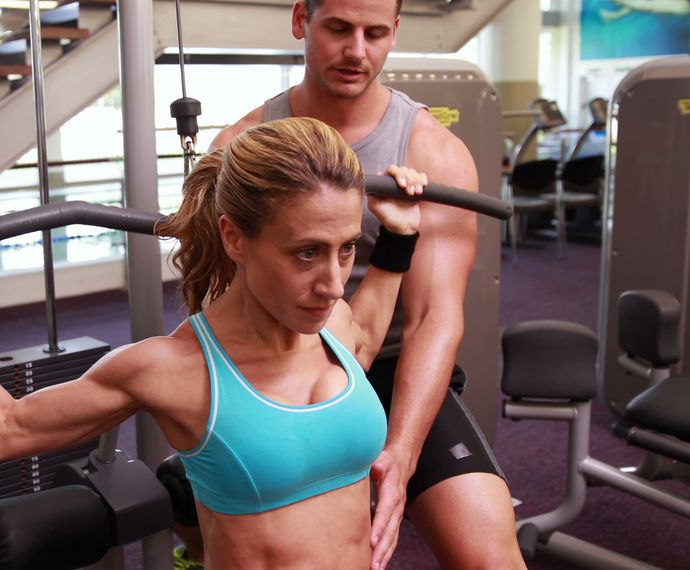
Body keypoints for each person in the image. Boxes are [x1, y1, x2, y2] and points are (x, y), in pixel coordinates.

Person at [0, 117, 426, 569]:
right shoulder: (174, 370)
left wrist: (398, 240)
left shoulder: (334, 324)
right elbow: (0, 431)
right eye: (306, 253)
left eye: (347, 249)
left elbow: (365, 340)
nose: (333, 284)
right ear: (234, 237)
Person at [207, 1, 526, 569]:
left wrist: (400, 454)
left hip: (392, 372)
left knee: (490, 558)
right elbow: (219, 301)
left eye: (375, 33)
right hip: (281, 371)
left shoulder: (434, 153)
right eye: (339, 29)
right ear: (302, 20)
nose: (358, 51)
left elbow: (434, 318)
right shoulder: (242, 149)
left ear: (395, 32)